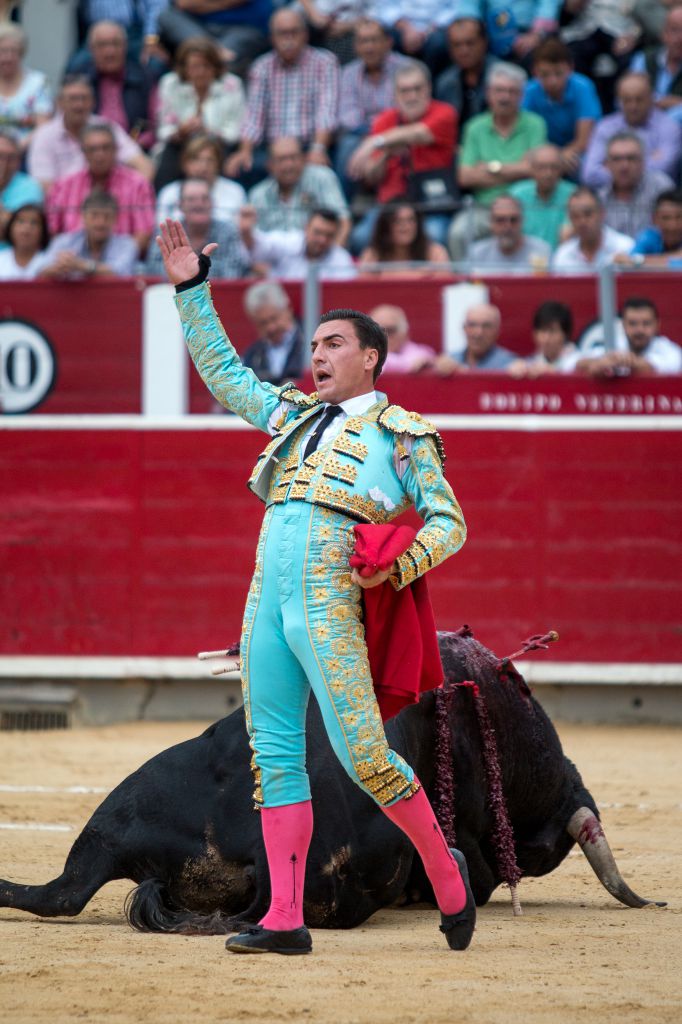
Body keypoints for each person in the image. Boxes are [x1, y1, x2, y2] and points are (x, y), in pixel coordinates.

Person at [156, 217, 476, 957]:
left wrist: (396, 564)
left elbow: (448, 522)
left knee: (363, 754)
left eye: (333, 344)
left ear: (370, 358)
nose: (317, 356)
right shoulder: (295, 417)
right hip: (267, 594)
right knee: (273, 754)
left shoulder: (404, 434)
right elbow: (227, 377)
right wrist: (191, 293)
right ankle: (284, 920)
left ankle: (443, 868)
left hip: (332, 598)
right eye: (314, 346)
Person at [347, 60, 458, 250]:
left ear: (429, 89)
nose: (412, 96)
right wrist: (386, 153)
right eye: (404, 91)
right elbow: (373, 177)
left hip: (430, 206)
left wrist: (375, 142)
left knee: (435, 235)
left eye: (418, 89)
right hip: (391, 207)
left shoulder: (445, 112)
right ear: (395, 94)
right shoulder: (384, 120)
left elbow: (419, 133)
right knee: (360, 238)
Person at [225, 8, 340, 185]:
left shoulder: (325, 62)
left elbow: (327, 111)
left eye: (294, 32)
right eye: (282, 34)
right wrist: (245, 150)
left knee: (323, 168)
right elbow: (254, 116)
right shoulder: (261, 66)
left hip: (309, 145)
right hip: (272, 149)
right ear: (272, 38)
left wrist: (318, 148)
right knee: (241, 167)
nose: (289, 39)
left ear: (305, 35)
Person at [449, 62, 546, 261]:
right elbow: (465, 176)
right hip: (483, 207)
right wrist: (517, 169)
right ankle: (465, 286)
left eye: (512, 91)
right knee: (458, 233)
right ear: (488, 93)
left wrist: (491, 168)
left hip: (524, 207)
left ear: (521, 96)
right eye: (499, 90)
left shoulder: (535, 124)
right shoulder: (474, 127)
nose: (505, 97)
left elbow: (536, 170)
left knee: (543, 232)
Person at [46, 122, 156, 256]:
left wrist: (115, 264)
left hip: (124, 269)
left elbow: (144, 233)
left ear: (116, 149)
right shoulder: (63, 187)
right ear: (83, 151)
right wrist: (70, 262)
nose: (99, 155)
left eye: (105, 148)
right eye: (93, 149)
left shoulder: (138, 185)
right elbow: (54, 232)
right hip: (71, 268)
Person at [27, 74, 152, 190]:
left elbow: (144, 166)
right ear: (60, 103)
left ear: (93, 102)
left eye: (84, 98)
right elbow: (44, 186)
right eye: (73, 99)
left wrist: (131, 195)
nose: (79, 105)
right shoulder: (44, 136)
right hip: (65, 207)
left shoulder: (107, 127)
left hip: (110, 205)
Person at [154, 36, 245, 191]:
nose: (201, 72)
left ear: (215, 67)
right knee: (167, 159)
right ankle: (166, 203)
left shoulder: (232, 84)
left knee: (225, 161)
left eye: (206, 66)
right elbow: (164, 130)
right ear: (184, 68)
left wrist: (209, 132)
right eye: (195, 66)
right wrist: (181, 131)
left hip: (219, 145)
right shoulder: (170, 84)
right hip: (180, 145)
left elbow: (236, 129)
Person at [335, 19, 407, 193]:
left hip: (399, 131)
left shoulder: (407, 68)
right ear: (355, 46)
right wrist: (371, 138)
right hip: (362, 134)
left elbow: (404, 111)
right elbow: (348, 116)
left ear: (388, 42)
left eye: (374, 40)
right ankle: (344, 211)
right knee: (346, 146)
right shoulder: (348, 73)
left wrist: (376, 139)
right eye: (363, 41)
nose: (369, 47)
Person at [66, 19, 157, 154]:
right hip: (86, 153)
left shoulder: (145, 77)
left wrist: (135, 145)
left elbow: (154, 125)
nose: (110, 52)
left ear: (125, 46)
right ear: (91, 49)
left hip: (136, 152)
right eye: (102, 45)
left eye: (116, 44)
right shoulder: (79, 79)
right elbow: (66, 123)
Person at [581, 73, 682, 189]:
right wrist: (648, 160)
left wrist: (613, 167)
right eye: (627, 100)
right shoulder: (605, 127)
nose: (633, 106)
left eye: (639, 99)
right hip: (611, 198)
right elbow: (590, 174)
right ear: (618, 101)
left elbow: (664, 168)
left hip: (656, 198)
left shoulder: (669, 127)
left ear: (651, 98)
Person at [248, 137, 350, 244]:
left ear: (303, 158)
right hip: (272, 258)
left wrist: (332, 258)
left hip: (317, 255)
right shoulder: (258, 194)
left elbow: (343, 222)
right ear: (269, 165)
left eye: (293, 158)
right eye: (281, 159)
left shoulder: (322, 178)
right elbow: (253, 240)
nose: (289, 165)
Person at [522, 38, 601, 176]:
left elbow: (584, 139)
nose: (552, 81)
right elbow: (525, 134)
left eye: (558, 73)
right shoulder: (529, 91)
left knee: (583, 167)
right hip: (543, 153)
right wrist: (549, 158)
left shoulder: (583, 87)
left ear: (570, 68)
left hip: (575, 153)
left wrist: (558, 157)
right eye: (545, 74)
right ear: (535, 72)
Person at [145, 178, 251, 279]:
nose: (199, 204)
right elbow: (154, 273)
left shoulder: (228, 231)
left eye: (204, 199)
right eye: (191, 199)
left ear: (213, 203)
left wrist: (187, 273)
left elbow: (232, 275)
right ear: (180, 205)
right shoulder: (167, 233)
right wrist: (200, 272)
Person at [37, 191, 138, 280]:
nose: (100, 223)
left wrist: (81, 266)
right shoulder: (64, 241)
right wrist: (59, 268)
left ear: (115, 219)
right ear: (83, 217)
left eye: (107, 217)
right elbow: (40, 272)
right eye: (94, 216)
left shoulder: (127, 245)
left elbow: (121, 274)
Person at [239, 205, 355, 281]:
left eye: (329, 235)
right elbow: (259, 247)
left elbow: (345, 293)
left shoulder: (341, 258)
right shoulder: (289, 242)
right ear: (306, 228)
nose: (322, 240)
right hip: (286, 313)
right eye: (317, 232)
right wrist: (246, 232)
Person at [157, 0, 271, 75]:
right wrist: (223, 4)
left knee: (222, 63)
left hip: (243, 27)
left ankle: (210, 52)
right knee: (166, 16)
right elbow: (184, 3)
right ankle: (212, 50)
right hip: (199, 26)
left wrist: (203, 4)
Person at [155, 133, 246, 226]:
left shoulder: (235, 191)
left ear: (218, 164)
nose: (203, 167)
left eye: (210, 160)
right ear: (185, 163)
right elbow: (160, 231)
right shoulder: (169, 193)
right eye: (196, 159)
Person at [576, 296, 682, 376]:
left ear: (657, 325)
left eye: (646, 323)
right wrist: (600, 363)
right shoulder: (613, 344)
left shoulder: (670, 350)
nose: (639, 330)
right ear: (623, 325)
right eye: (633, 323)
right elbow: (579, 362)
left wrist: (626, 362)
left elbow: (656, 367)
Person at [598, 133, 673, 239]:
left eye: (631, 158)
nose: (624, 166)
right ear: (607, 164)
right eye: (617, 159)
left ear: (643, 161)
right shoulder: (600, 199)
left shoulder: (661, 187)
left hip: (655, 253)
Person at [508, 143, 575, 250]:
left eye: (554, 167)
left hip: (560, 260)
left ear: (562, 169)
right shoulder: (517, 194)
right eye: (541, 168)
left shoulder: (573, 195)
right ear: (532, 169)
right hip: (524, 260)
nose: (548, 173)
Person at [435, 18, 498, 131]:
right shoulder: (444, 83)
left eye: (470, 43)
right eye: (457, 45)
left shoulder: (501, 77)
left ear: (484, 42)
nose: (464, 51)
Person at [552, 187, 634, 271]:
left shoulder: (625, 248)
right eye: (575, 216)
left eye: (588, 214)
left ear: (602, 213)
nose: (582, 221)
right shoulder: (562, 256)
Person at [0, 22, 52, 153]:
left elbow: (43, 126)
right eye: (3, 51)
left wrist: (16, 149)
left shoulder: (38, 82)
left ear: (22, 53)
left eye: (14, 51)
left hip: (29, 153)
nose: (8, 57)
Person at [242, 280, 306, 384]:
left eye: (274, 318)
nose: (270, 328)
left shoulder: (313, 339)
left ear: (288, 310)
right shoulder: (252, 356)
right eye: (263, 323)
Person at [375, 0, 462, 77]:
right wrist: (406, 29)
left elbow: (453, 8)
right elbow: (385, 7)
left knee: (438, 44)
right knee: (386, 39)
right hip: (402, 27)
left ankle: (427, 86)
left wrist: (428, 31)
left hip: (435, 29)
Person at [358, 203, 450, 274]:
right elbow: (362, 294)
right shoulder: (372, 255)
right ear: (386, 226)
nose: (405, 227)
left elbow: (444, 291)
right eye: (397, 221)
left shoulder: (435, 253)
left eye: (411, 220)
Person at [467, 193, 551, 269]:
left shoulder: (541, 251)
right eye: (500, 220)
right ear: (491, 223)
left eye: (513, 220)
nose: (508, 226)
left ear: (522, 221)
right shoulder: (477, 254)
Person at [631, 6, 682, 125]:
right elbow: (631, 96)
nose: (680, 38)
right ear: (664, 33)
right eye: (675, 30)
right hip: (643, 128)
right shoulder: (644, 59)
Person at [507, 301, 580, 377]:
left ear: (566, 334)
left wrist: (554, 372)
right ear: (535, 334)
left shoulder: (578, 360)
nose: (546, 338)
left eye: (552, 331)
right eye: (542, 331)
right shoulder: (533, 361)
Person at [439, 303, 516, 371]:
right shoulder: (450, 359)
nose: (478, 333)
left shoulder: (510, 364)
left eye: (486, 326)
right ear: (464, 328)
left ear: (497, 331)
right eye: (472, 325)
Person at [0, 127, 42, 240]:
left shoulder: (30, 187)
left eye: (10, 158)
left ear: (18, 162)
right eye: (0, 156)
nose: (4, 163)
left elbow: (22, 234)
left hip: (12, 254)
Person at [369, 303, 437, 372]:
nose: (382, 337)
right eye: (376, 331)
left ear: (404, 333)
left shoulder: (422, 352)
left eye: (390, 330)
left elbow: (424, 357)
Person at [627, 189, 682, 266]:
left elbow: (633, 260)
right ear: (654, 219)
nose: (672, 225)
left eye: (679, 217)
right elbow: (625, 260)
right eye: (666, 218)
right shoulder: (649, 237)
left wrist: (640, 261)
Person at [0, 202, 49, 280]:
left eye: (34, 223)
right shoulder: (1, 259)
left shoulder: (50, 262)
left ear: (43, 231)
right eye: (21, 221)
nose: (26, 228)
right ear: (10, 228)